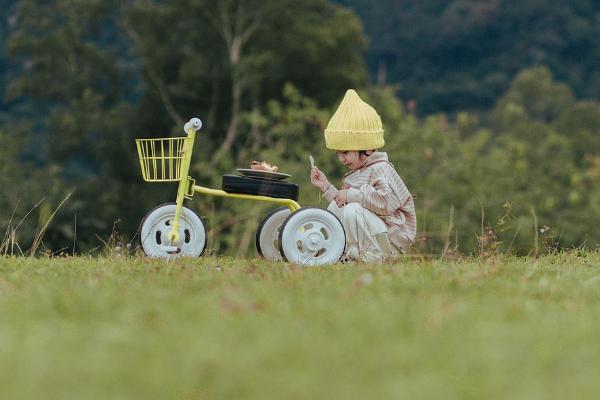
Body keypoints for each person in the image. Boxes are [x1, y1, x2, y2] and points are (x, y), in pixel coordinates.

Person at [310, 89, 416, 262]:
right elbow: (346, 202)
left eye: (345, 152)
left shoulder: (381, 168)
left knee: (352, 210)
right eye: (338, 153)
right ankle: (338, 251)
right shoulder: (360, 170)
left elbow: (384, 203)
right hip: (375, 230)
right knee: (336, 209)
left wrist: (350, 195)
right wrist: (326, 187)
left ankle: (372, 257)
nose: (341, 158)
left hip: (392, 238)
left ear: (365, 147)